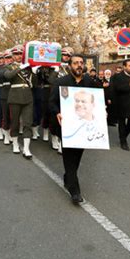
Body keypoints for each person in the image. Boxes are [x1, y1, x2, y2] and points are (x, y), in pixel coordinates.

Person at [49, 54, 98, 204]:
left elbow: (97, 100)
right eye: (75, 63)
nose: (79, 65)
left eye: (81, 63)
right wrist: (57, 112)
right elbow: (52, 102)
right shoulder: (61, 82)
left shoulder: (90, 82)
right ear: (70, 66)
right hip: (67, 127)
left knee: (77, 156)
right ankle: (75, 191)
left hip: (84, 128)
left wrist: (103, 110)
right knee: (69, 157)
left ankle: (68, 177)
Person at [3, 45, 37, 159]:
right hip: (15, 97)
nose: (18, 56)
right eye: (16, 54)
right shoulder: (9, 66)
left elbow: (35, 84)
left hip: (28, 97)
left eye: (20, 54)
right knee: (15, 122)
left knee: (28, 123)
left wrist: (35, 71)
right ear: (12, 56)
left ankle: (27, 149)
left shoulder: (28, 67)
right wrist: (21, 67)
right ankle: (15, 144)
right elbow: (8, 76)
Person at [48, 47, 73, 153]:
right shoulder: (55, 66)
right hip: (56, 95)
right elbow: (50, 80)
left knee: (67, 119)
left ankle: (63, 141)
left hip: (68, 95)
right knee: (55, 119)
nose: (66, 57)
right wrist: (55, 70)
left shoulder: (70, 68)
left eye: (68, 56)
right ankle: (55, 138)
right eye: (64, 55)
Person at [112, 59, 130, 151]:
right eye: (129, 65)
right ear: (124, 67)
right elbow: (117, 88)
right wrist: (129, 85)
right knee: (122, 123)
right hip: (122, 104)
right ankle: (123, 142)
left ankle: (123, 136)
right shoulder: (117, 76)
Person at [0, 50, 13, 144]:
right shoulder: (2, 68)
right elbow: (3, 75)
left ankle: (11, 134)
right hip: (4, 94)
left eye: (10, 57)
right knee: (5, 116)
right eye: (6, 58)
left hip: (14, 93)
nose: (8, 59)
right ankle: (6, 136)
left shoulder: (15, 66)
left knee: (13, 116)